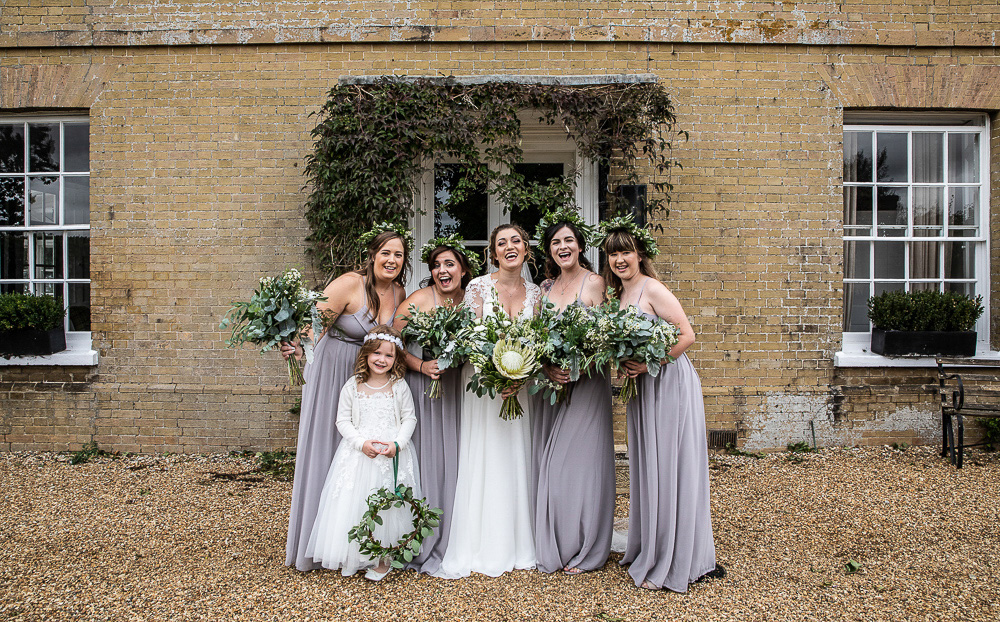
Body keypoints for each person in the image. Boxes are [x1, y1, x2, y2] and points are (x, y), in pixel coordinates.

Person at [600, 217, 720, 592]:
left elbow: (687, 335)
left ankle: (679, 554)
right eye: (613, 253)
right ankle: (652, 544)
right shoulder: (616, 296)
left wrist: (652, 362)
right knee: (649, 465)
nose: (620, 259)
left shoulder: (653, 289)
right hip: (643, 389)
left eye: (626, 252)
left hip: (668, 384)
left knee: (670, 464)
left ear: (639, 255)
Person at [281, 223, 410, 571]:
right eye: (386, 253)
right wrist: (297, 350)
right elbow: (313, 325)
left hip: (368, 377)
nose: (392, 260)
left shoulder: (399, 294)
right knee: (326, 444)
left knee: (356, 459)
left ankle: (355, 541)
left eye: (398, 255)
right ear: (373, 255)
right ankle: (316, 541)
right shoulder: (349, 283)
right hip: (334, 369)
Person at [435, 223, 540, 579]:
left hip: (521, 387)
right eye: (501, 243)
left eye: (516, 241)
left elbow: (540, 343)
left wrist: (521, 375)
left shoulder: (537, 293)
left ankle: (521, 542)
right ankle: (483, 542)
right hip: (484, 386)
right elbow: (471, 339)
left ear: (526, 249)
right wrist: (495, 377)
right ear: (493, 253)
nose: (509, 247)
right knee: (487, 455)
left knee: (517, 456)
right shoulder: (478, 287)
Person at [532, 216, 614, 575]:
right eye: (555, 243)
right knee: (551, 468)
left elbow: (610, 335)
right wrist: (549, 368)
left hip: (588, 386)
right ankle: (558, 542)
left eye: (568, 240)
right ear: (549, 251)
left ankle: (588, 548)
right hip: (552, 388)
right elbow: (535, 338)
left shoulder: (596, 283)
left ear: (580, 246)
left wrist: (583, 360)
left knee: (581, 467)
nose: (562, 247)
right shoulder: (545, 287)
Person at [304, 325, 418, 581]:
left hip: (390, 455)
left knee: (388, 506)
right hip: (358, 456)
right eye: (377, 353)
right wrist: (360, 443)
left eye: (389, 355)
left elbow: (409, 418)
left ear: (396, 359)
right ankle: (355, 554)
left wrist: (397, 444)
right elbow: (342, 421)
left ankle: (382, 558)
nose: (382, 359)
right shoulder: (352, 385)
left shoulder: (398, 386)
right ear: (366, 354)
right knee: (354, 502)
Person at [392, 236, 477, 575]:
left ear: (463, 269)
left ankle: (460, 532)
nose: (442, 271)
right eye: (436, 266)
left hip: (459, 387)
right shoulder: (418, 300)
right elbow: (390, 343)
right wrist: (420, 365)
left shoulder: (472, 301)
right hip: (425, 386)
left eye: (449, 264)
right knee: (428, 458)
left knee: (459, 456)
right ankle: (423, 532)